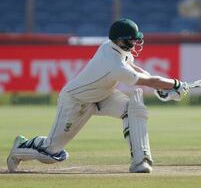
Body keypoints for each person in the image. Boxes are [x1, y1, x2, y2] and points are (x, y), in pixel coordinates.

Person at [7, 18, 188, 173]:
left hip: (104, 96)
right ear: (120, 40)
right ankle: (21, 147)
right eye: (132, 40)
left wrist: (162, 87)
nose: (135, 44)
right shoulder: (113, 65)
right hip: (76, 101)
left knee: (134, 106)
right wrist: (175, 84)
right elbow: (149, 81)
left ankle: (141, 161)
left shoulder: (114, 47)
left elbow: (136, 69)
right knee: (51, 152)